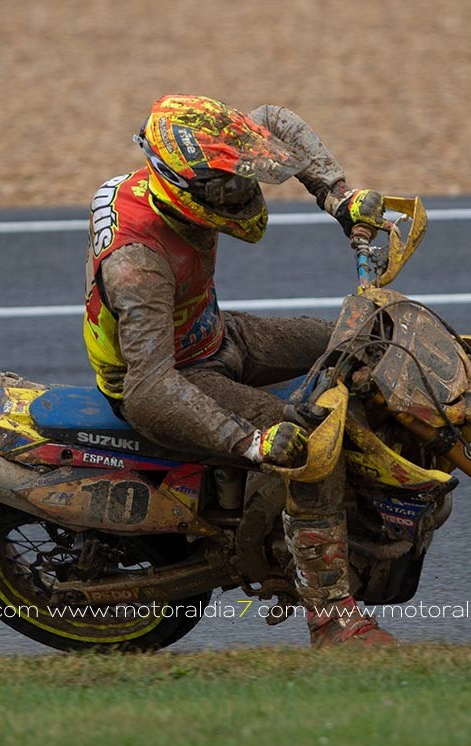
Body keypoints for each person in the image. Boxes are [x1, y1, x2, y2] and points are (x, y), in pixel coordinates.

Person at [83, 94, 395, 647]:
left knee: (365, 338)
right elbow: (150, 385)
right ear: (182, 189)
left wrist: (341, 198)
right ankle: (332, 619)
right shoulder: (138, 264)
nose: (243, 193)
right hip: (169, 373)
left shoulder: (167, 177)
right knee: (310, 452)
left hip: (212, 333)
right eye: (228, 186)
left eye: (241, 179)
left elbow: (275, 120)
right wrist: (251, 442)